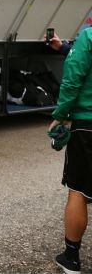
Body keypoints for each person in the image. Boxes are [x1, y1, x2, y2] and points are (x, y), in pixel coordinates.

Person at [48, 27, 92, 274]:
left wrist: (60, 115)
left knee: (79, 190)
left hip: (87, 124)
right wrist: (65, 48)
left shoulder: (89, 37)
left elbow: (73, 78)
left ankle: (71, 258)